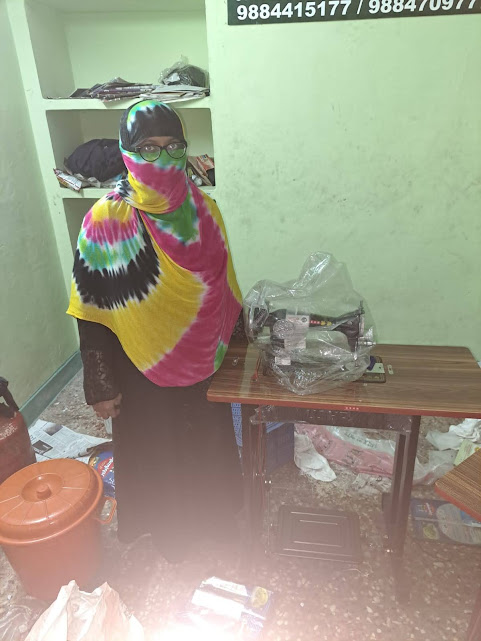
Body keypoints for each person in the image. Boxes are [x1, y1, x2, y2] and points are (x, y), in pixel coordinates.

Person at [67, 100, 244, 562]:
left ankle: (215, 520)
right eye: (148, 148)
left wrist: (239, 355)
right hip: (137, 364)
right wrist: (100, 385)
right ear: (127, 151)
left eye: (173, 147)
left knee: (207, 441)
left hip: (203, 359)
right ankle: (172, 536)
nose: (162, 159)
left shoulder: (206, 211)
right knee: (158, 449)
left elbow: (221, 288)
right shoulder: (105, 221)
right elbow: (91, 311)